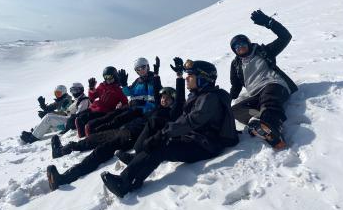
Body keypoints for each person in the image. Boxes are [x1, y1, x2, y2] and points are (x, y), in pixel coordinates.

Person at [100, 60, 239, 198]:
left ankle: (124, 183)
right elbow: (184, 119)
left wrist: (163, 134)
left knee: (160, 147)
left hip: (205, 145)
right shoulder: (200, 95)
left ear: (203, 78)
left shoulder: (210, 98)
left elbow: (191, 121)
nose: (187, 78)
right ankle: (134, 175)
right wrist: (165, 132)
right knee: (157, 140)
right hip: (197, 138)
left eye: (191, 76)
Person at [45, 58, 185, 191]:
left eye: (168, 99)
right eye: (162, 97)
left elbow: (179, 100)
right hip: (124, 129)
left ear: (173, 102)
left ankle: (64, 178)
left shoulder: (171, 114)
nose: (164, 100)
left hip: (131, 136)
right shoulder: (156, 108)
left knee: (100, 151)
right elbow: (155, 92)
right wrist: (155, 75)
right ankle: (62, 150)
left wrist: (179, 76)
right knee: (92, 139)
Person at [229, 9, 298, 149]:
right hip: (255, 94)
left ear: (248, 43)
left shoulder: (263, 51)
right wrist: (224, 102)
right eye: (236, 46)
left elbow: (285, 37)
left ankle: (273, 126)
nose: (240, 47)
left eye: (242, 44)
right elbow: (235, 87)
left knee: (268, 99)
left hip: (273, 84)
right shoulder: (236, 64)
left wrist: (268, 22)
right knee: (235, 110)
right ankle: (259, 122)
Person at [84, 57, 163, 135]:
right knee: (114, 115)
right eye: (138, 69)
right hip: (132, 107)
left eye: (143, 67)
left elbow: (153, 98)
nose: (141, 70)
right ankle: (92, 127)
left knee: (118, 119)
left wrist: (143, 110)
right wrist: (124, 85)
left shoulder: (153, 81)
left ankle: (96, 132)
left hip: (140, 110)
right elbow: (129, 93)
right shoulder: (138, 81)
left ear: (148, 67)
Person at [20, 83, 90, 143]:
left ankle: (32, 138)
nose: (74, 93)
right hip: (68, 120)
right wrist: (46, 108)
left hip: (70, 122)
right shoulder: (76, 100)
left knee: (49, 118)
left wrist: (53, 114)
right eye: (72, 90)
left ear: (81, 90)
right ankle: (34, 133)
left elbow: (79, 115)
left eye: (76, 90)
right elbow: (66, 112)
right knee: (47, 119)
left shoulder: (83, 100)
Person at [74, 66, 128, 137]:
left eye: (109, 77)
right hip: (93, 108)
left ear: (115, 76)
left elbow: (125, 102)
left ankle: (89, 138)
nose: (107, 79)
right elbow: (92, 97)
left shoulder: (118, 89)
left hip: (104, 112)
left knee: (89, 125)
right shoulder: (102, 85)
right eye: (105, 77)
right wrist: (91, 89)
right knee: (78, 119)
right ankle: (82, 136)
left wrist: (120, 107)